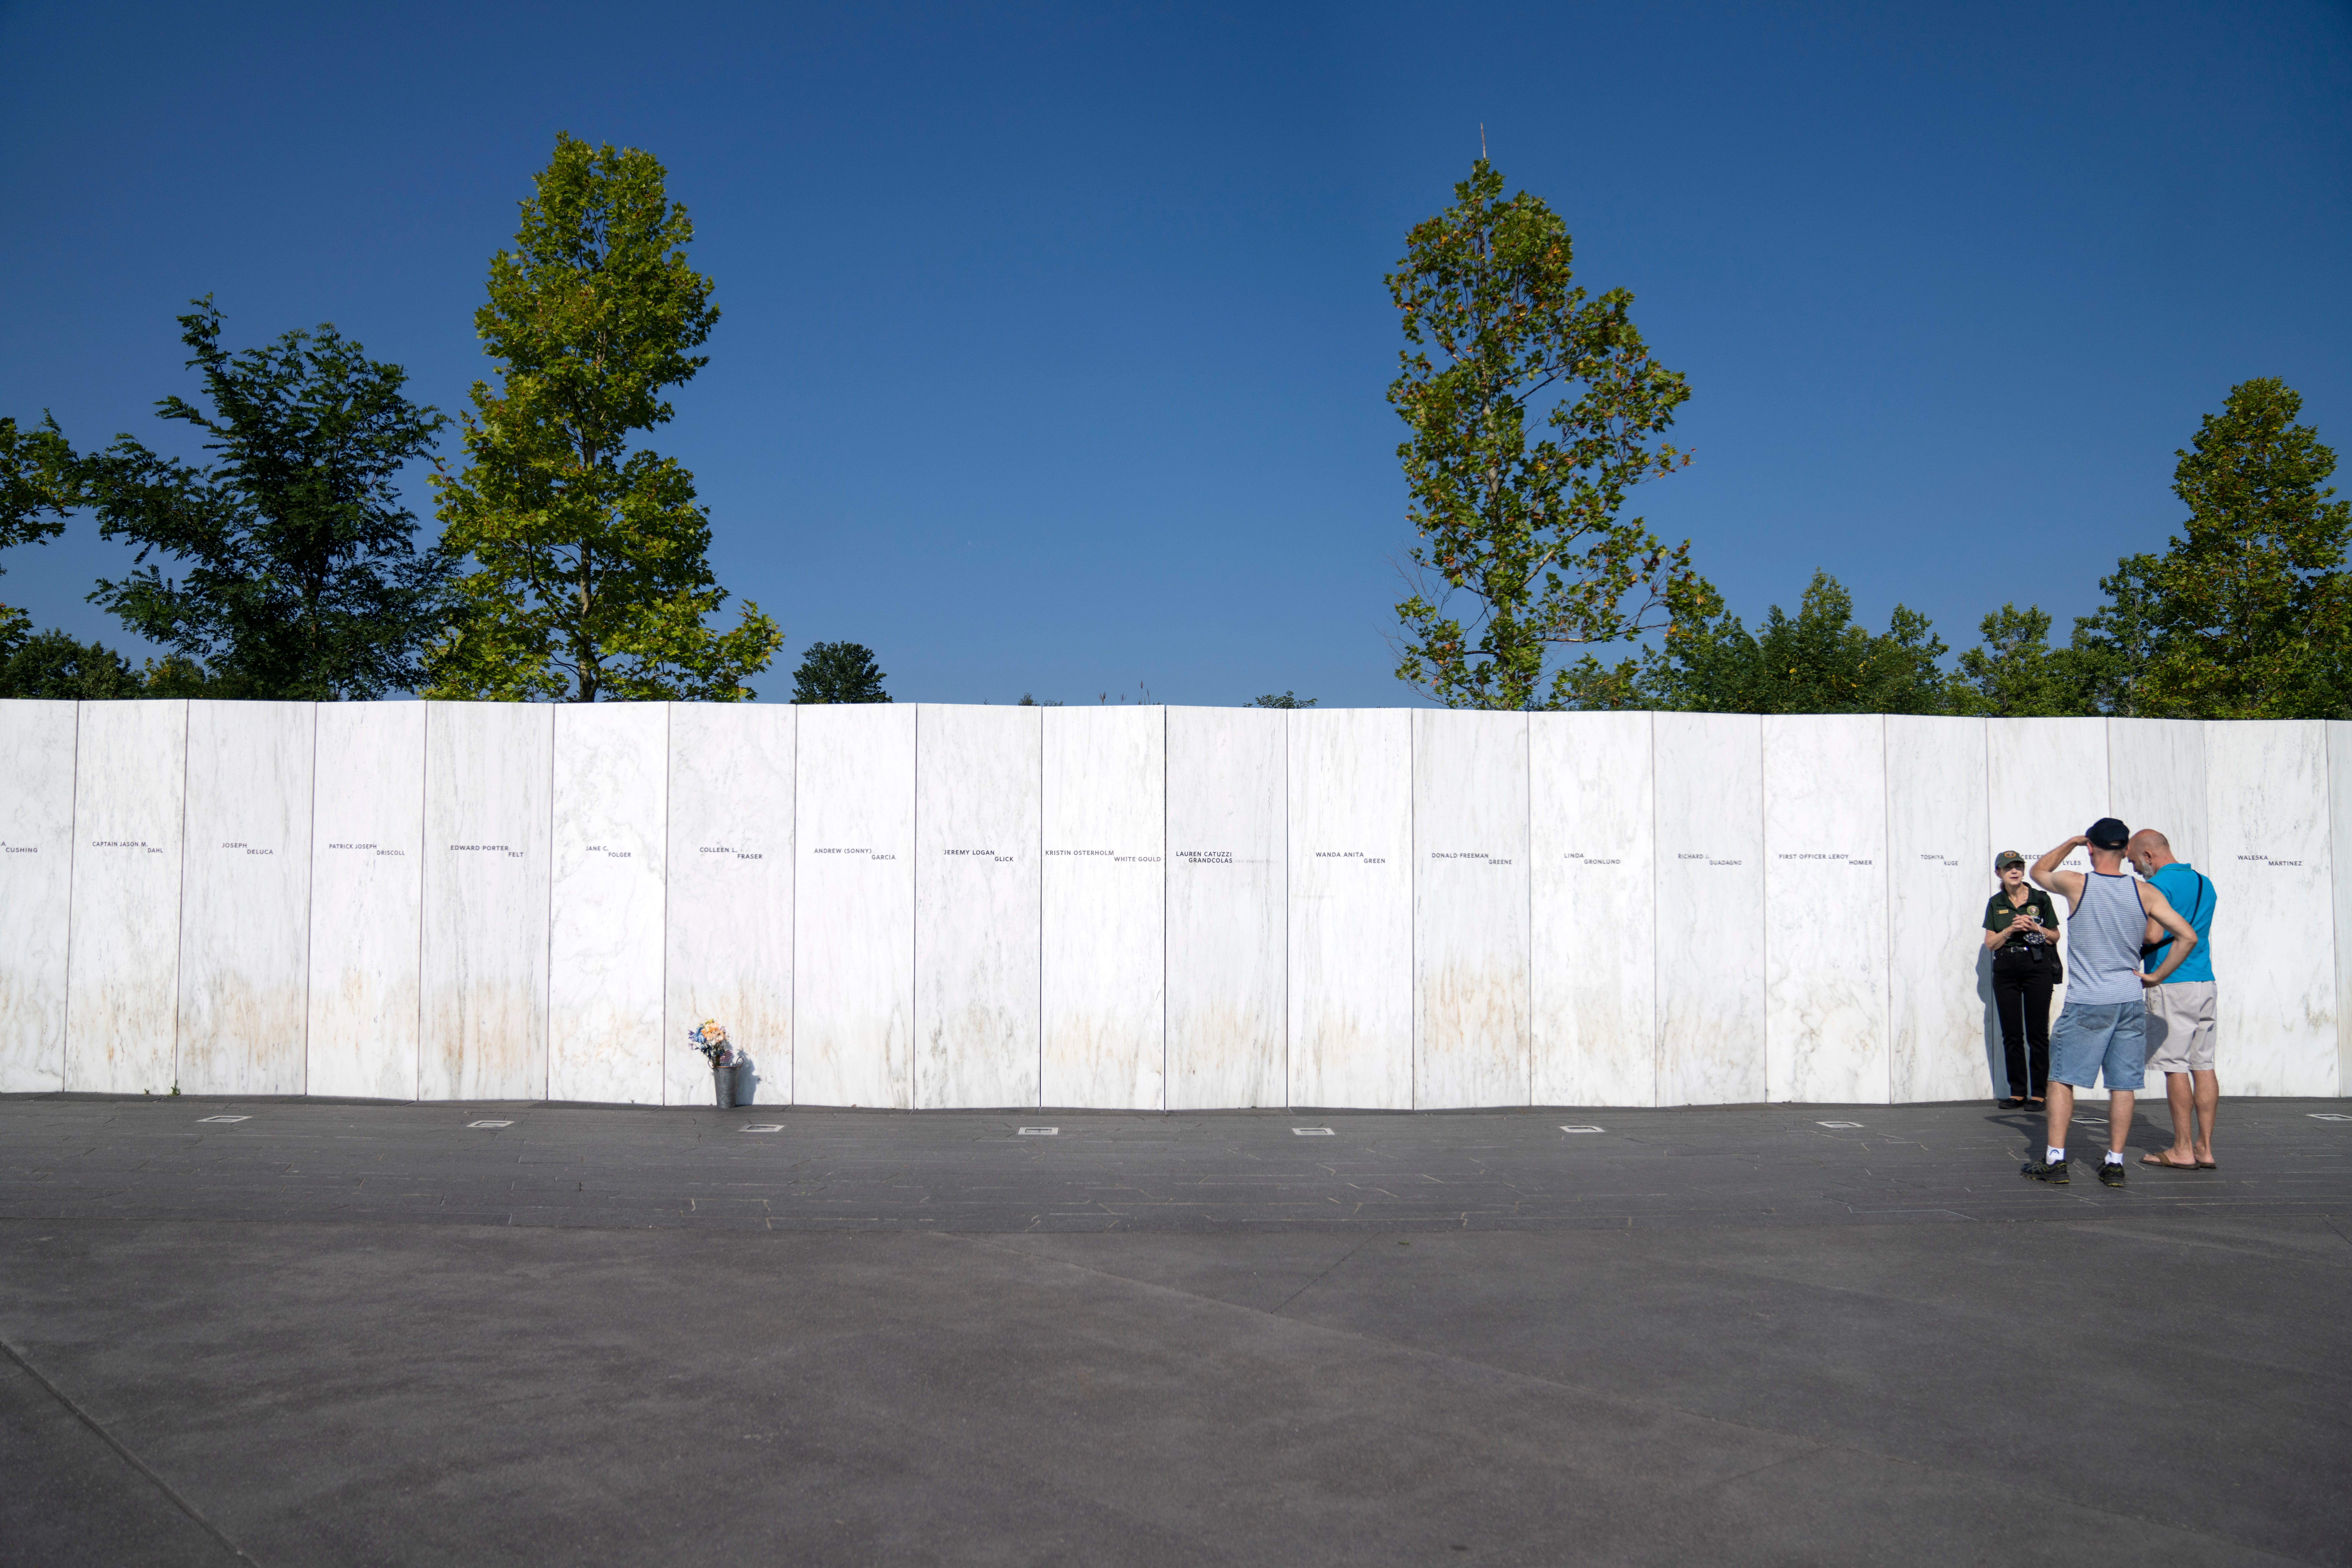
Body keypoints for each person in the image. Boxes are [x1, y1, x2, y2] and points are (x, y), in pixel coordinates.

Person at [2019, 818, 2200, 1188]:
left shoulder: (2077, 883)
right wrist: (2156, 976)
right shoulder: (2144, 892)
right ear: (2124, 851)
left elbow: (2039, 871)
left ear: (2091, 847)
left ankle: (2056, 1160)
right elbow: (2187, 936)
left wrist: (2069, 842)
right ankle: (2114, 1162)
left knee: (2062, 1080)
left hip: (2088, 1001)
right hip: (2129, 1000)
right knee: (2122, 1085)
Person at [2126, 829, 2220, 1171]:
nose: (2136, 869)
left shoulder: (2158, 886)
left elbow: (2153, 934)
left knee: (2174, 1066)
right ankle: (2204, 1148)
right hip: (2204, 980)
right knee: (2204, 1064)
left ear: (2149, 856)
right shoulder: (2203, 882)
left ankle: (2182, 1149)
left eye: (2135, 862)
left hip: (2171, 981)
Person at [1982, 850, 2061, 1109]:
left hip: (2036, 965)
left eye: (2018, 866)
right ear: (1999, 874)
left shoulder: (2041, 898)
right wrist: (2010, 929)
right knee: (2012, 1033)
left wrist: (2034, 927)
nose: (2014, 871)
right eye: (2008, 868)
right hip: (2006, 966)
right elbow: (1991, 944)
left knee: (2038, 1032)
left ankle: (2039, 1092)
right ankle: (2018, 1091)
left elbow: (2055, 937)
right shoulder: (1996, 903)